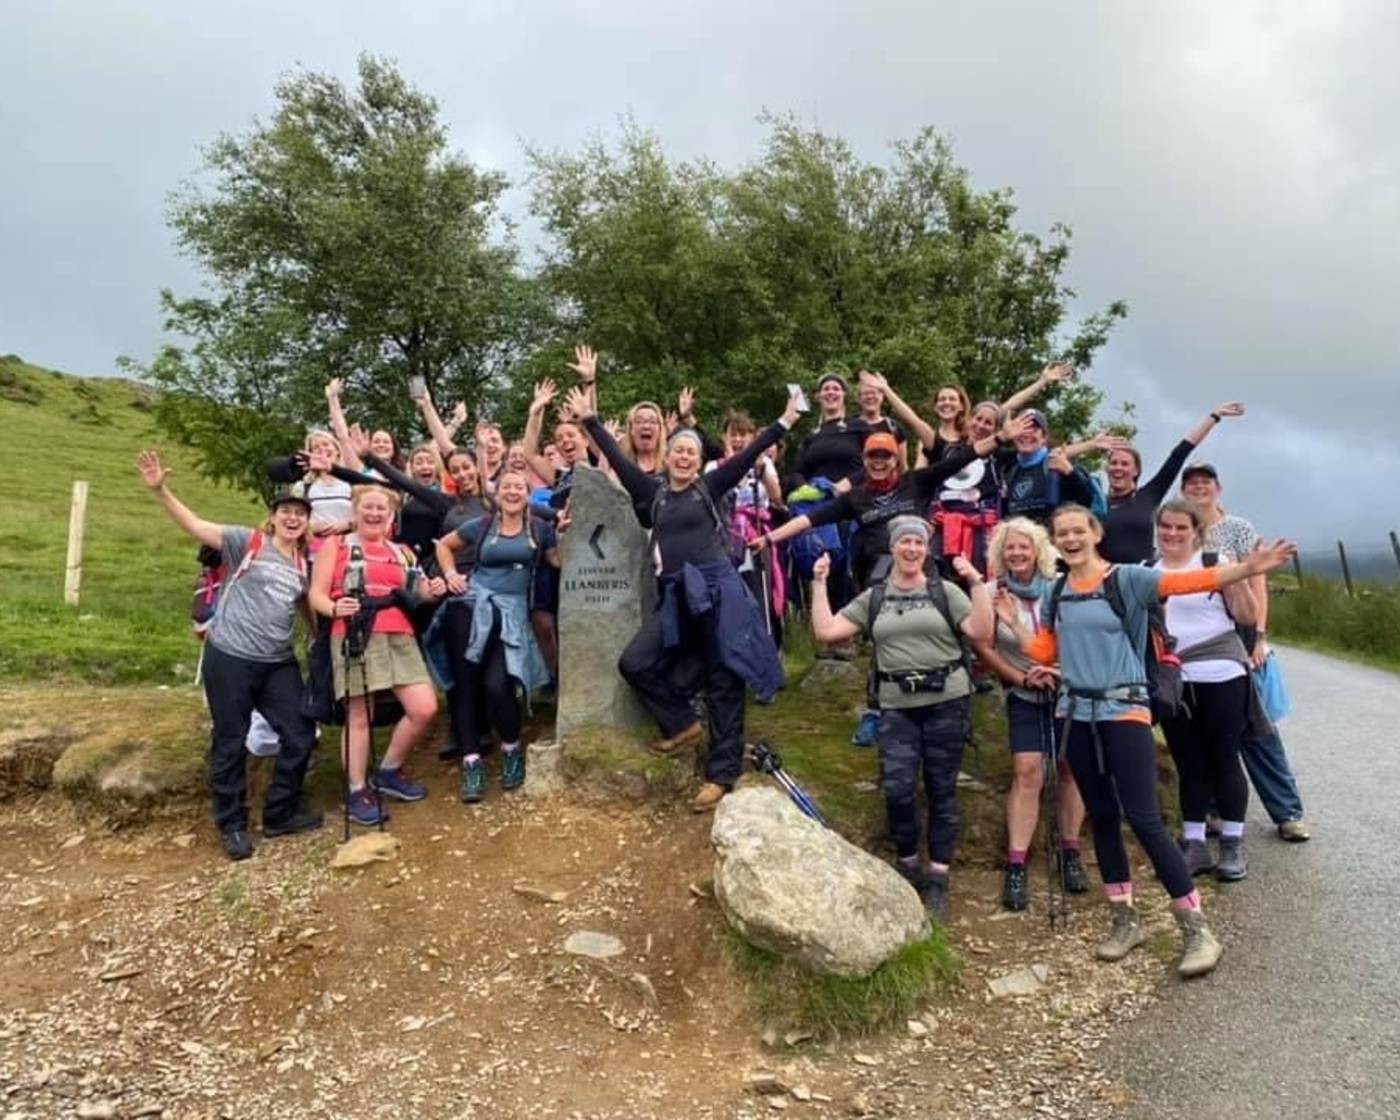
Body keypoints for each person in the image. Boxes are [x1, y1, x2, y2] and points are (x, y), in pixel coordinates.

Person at [995, 503, 1296, 977]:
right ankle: (1124, 919)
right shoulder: (1057, 592)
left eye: (1078, 531)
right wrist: (1014, 624)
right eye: (1062, 534)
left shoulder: (1127, 579)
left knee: (1145, 820)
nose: (1071, 539)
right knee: (1105, 817)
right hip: (1076, 713)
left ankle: (1196, 928)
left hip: (1125, 711)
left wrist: (1248, 568)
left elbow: (1184, 583)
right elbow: (1049, 650)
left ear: (1095, 534)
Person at [566, 383, 800, 813]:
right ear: (669, 457)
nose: (686, 455)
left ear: (698, 459)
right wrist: (590, 420)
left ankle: (721, 775)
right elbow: (617, 458)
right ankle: (683, 723)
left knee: (723, 679)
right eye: (679, 450)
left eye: (692, 450)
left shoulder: (709, 487)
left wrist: (784, 420)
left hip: (717, 591)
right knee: (635, 661)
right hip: (676, 594)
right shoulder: (651, 492)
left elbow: (749, 455)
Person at [136, 450, 322, 861]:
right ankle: (232, 824)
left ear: (308, 523)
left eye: (300, 514)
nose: (293, 518)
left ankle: (279, 815)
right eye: (286, 512)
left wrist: (321, 638)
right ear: (273, 518)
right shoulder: (246, 542)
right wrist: (160, 490)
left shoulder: (304, 564)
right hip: (231, 656)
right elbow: (196, 525)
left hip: (277, 662)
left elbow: (306, 607)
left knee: (300, 733)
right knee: (230, 739)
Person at [808, 517, 994, 922]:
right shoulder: (874, 598)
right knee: (897, 788)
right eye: (904, 542)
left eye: (918, 543)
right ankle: (909, 866)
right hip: (896, 705)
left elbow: (981, 630)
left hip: (948, 701)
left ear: (926, 550)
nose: (911, 549)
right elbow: (826, 630)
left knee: (942, 790)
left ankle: (939, 879)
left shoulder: (944, 592)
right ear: (892, 549)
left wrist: (977, 585)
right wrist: (819, 582)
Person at [1182, 463, 1311, 841]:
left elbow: (1257, 581)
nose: (1199, 488)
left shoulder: (1238, 528)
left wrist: (1259, 635)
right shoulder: (1179, 530)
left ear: (1218, 488)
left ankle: (1287, 812)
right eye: (1192, 483)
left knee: (1256, 727)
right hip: (1197, 637)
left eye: (1205, 482)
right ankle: (1214, 811)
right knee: (1207, 728)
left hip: (1238, 629)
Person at [307, 485, 444, 827]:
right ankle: (356, 789)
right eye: (368, 507)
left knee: (424, 707)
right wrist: (335, 607)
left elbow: (419, 591)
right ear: (354, 512)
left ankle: (388, 771)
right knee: (359, 715)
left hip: (399, 632)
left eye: (381, 509)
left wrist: (433, 591)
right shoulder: (336, 547)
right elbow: (317, 595)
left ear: (391, 516)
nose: (374, 514)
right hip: (354, 631)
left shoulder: (402, 552)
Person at [971, 517, 1088, 911]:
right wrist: (1020, 678)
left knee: (1072, 767)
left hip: (1069, 689)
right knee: (1027, 771)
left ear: (1039, 550)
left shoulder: (1062, 587)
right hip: (1023, 692)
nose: (1017, 553)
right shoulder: (988, 592)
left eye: (1024, 546)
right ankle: (1017, 863)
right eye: (1010, 547)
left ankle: (1070, 851)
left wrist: (1059, 671)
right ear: (1000, 554)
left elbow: (1077, 636)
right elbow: (984, 647)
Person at [432, 469, 559, 803]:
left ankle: (511, 749)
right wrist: (450, 575)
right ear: (497, 493)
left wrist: (573, 534)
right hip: (471, 606)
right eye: (507, 487)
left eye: (519, 487)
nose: (513, 492)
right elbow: (444, 546)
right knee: (465, 685)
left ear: (528, 493)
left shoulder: (540, 529)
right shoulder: (483, 525)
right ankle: (471, 760)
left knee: (499, 684)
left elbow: (556, 561)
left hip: (512, 613)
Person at [1153, 500, 1261, 881]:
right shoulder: (1150, 573)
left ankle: (1232, 842)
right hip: (1175, 678)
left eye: (1181, 528)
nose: (1172, 534)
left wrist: (1237, 577)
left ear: (1196, 532)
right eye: (1166, 526)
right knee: (1189, 761)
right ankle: (1194, 843)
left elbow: (1246, 616)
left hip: (1222, 673)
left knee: (1224, 757)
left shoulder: (1215, 563)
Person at [1099, 403, 1245, 564]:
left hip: (1141, 580)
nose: (1118, 468)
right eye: (1114, 463)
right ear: (1107, 468)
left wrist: (1214, 417)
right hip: (1104, 583)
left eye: (1125, 464)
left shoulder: (1147, 496)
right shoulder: (1096, 502)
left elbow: (1179, 454)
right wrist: (1090, 445)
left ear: (1136, 471)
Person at [706, 409, 787, 644]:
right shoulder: (713, 467)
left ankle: (766, 646)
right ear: (724, 438)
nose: (738, 440)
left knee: (760, 590)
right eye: (733, 434)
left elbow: (777, 498)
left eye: (743, 435)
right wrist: (732, 466)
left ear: (753, 438)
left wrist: (761, 468)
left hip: (757, 533)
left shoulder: (763, 464)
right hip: (727, 535)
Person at [1002, 409, 1099, 526]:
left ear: (1044, 437)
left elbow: (1087, 501)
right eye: (1023, 427)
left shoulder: (1058, 464)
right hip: (1022, 540)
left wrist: (1070, 472)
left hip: (1053, 540)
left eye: (1033, 429)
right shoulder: (1009, 469)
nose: (1027, 433)